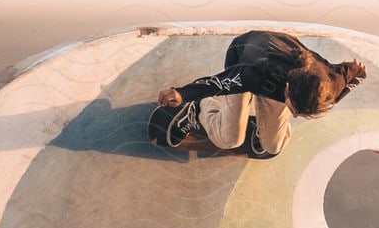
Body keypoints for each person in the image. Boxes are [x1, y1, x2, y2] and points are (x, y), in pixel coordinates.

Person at [147, 29, 367, 158]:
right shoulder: (256, 73)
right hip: (243, 53)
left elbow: (352, 73)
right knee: (229, 139)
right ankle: (200, 110)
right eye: (294, 109)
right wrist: (183, 94)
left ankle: (261, 127)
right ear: (288, 88)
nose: (297, 116)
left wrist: (358, 72)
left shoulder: (328, 87)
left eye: (301, 112)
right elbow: (219, 83)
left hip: (287, 70)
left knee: (273, 146)